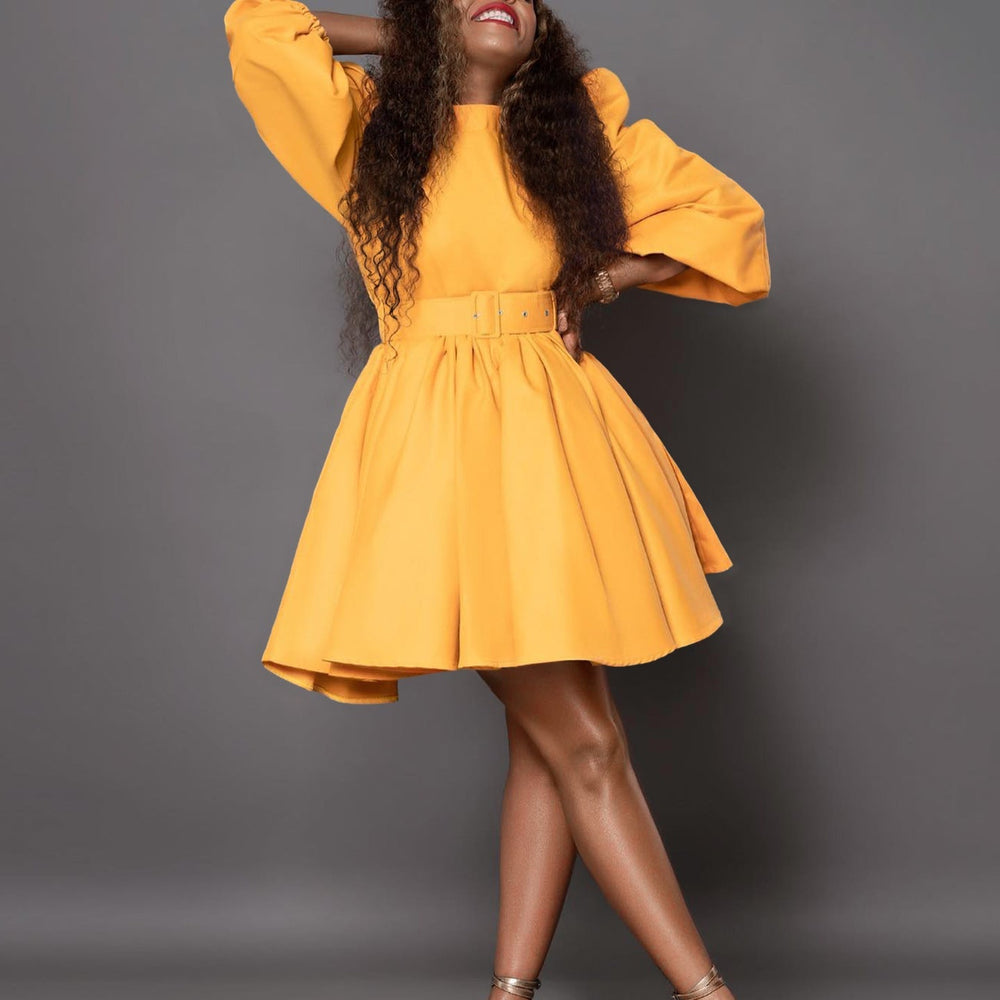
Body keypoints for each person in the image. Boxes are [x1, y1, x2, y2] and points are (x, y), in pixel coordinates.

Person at [223, 2, 770, 998]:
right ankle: (707, 992)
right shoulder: (367, 133)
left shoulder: (579, 127)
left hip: (559, 450)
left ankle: (510, 992)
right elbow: (262, 24)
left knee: (548, 743)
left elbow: (728, 221)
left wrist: (606, 275)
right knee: (586, 741)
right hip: (440, 458)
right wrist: (414, 35)